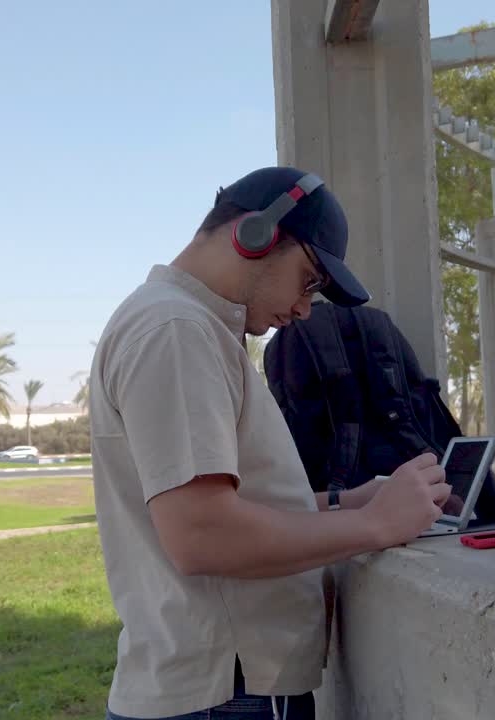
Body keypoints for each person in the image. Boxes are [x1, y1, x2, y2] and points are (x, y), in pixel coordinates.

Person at [89, 166, 450, 720]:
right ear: (255, 234)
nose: (306, 309)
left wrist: (345, 502)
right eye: (308, 279)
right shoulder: (177, 330)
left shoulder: (190, 327)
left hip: (223, 689)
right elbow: (201, 535)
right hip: (225, 695)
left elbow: (224, 505)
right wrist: (376, 526)